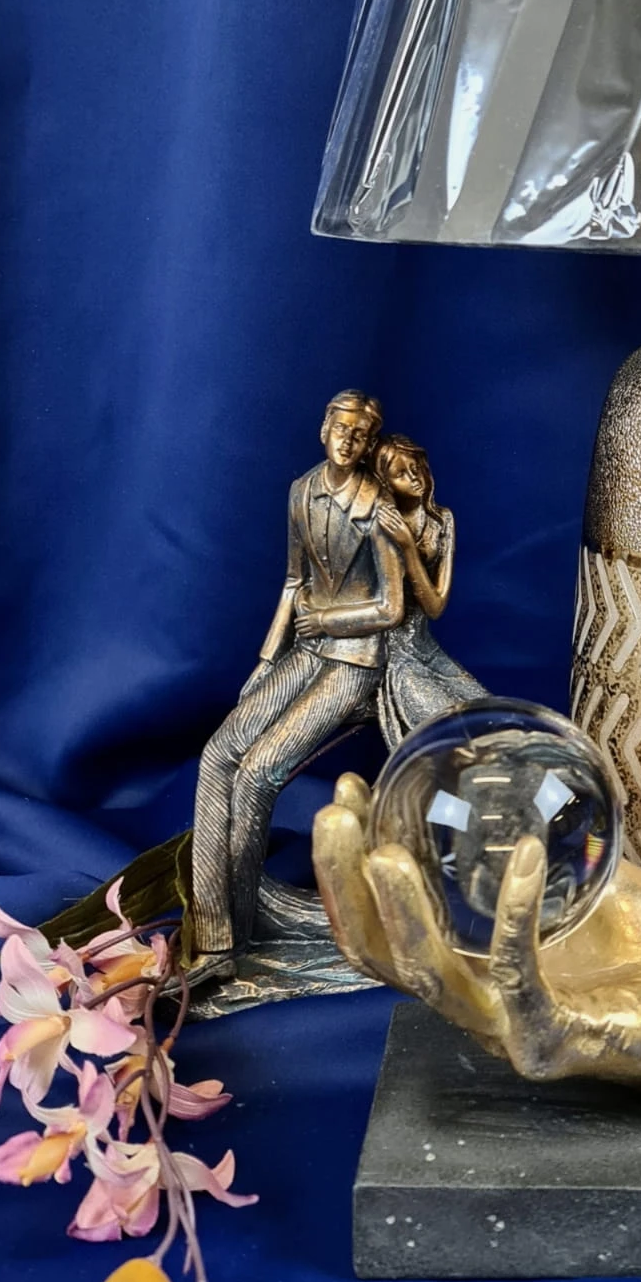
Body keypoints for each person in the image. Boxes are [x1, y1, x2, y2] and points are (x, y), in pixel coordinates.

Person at [189, 388, 403, 956]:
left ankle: (238, 935)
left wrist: (328, 619)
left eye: (361, 434)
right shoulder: (301, 491)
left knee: (258, 772)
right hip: (304, 652)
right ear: (324, 429)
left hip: (355, 661)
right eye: (342, 428)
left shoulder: (377, 507)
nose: (348, 440)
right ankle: (212, 929)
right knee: (217, 756)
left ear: (369, 444)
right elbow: (293, 582)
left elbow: (391, 607)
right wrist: (266, 661)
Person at [371, 434, 484, 744]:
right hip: (393, 657)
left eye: (416, 467)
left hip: (426, 647)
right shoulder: (381, 526)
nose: (414, 477)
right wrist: (407, 546)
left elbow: (435, 607)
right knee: (454, 728)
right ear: (384, 482)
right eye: (400, 474)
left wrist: (409, 547)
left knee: (487, 712)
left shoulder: (442, 520)